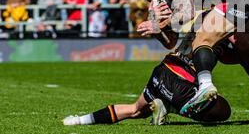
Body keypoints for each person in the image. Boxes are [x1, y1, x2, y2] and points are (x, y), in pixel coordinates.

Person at [63, 52, 232, 126]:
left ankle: (79, 120)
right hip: (180, 80)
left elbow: (169, 41)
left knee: (136, 110)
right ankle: (170, 106)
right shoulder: (221, 21)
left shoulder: (186, 10)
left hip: (162, 70)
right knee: (223, 110)